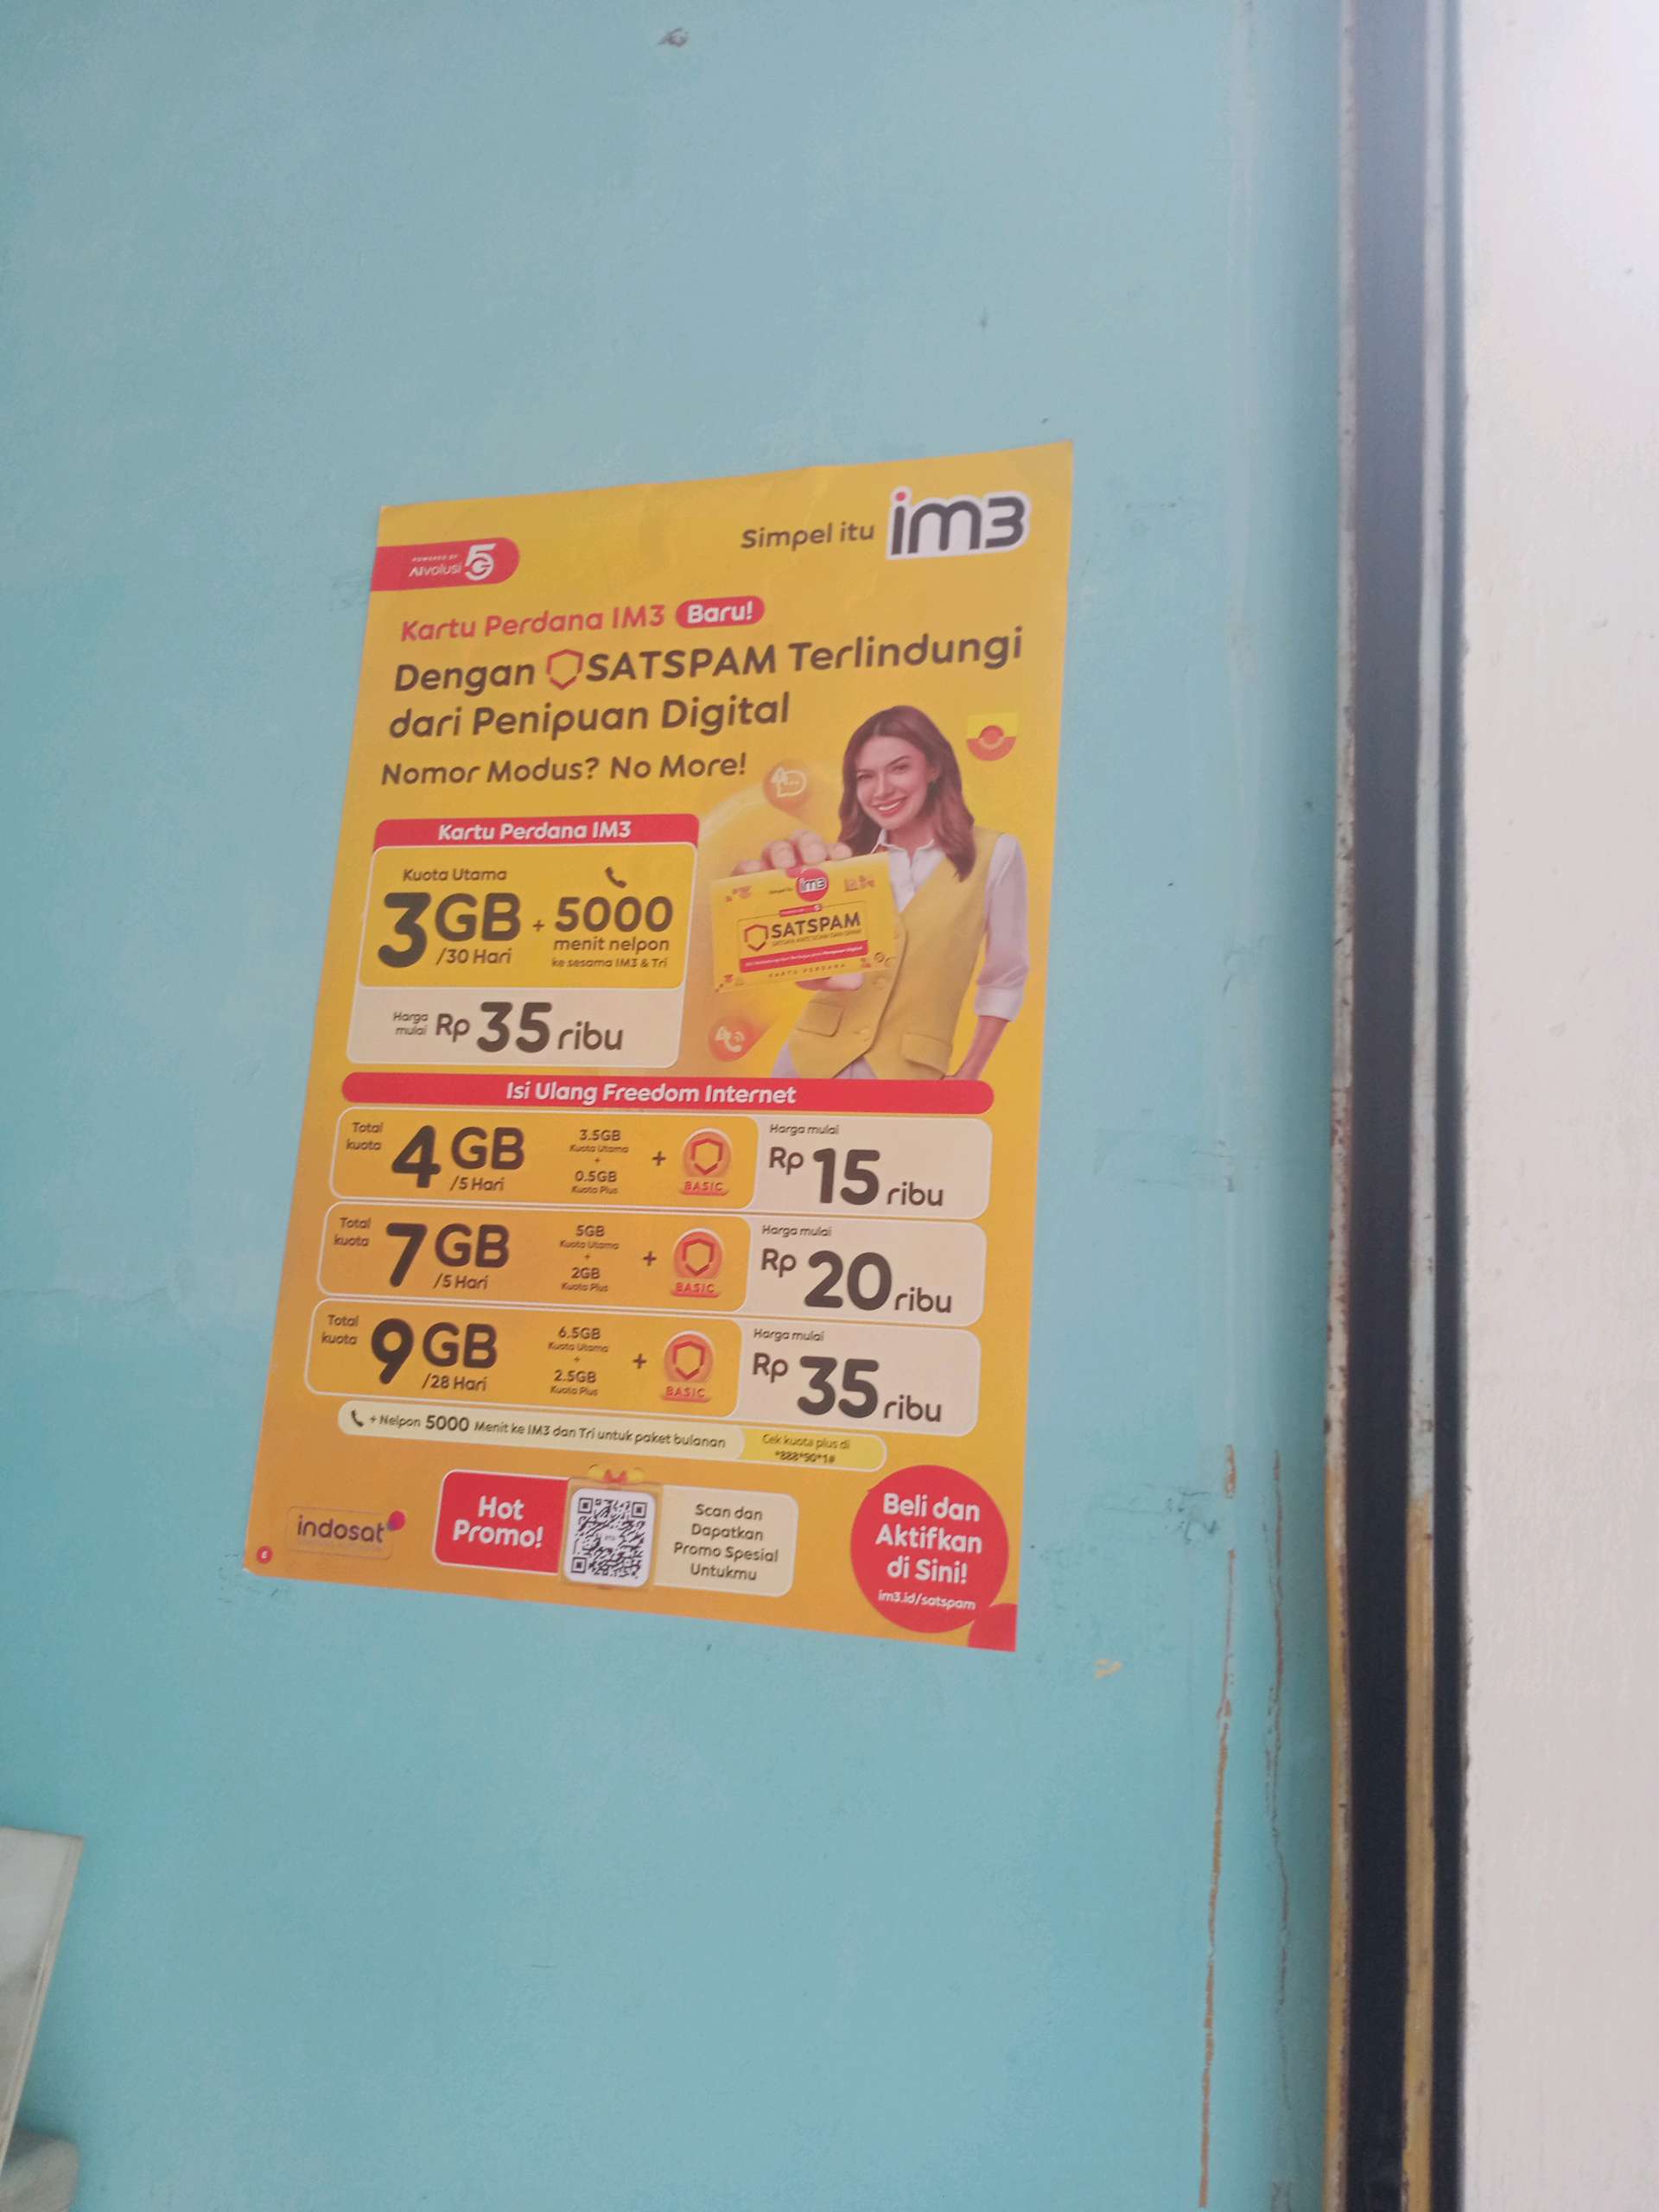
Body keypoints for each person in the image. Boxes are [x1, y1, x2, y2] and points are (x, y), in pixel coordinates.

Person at [733, 705, 1029, 1082]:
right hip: (807, 1063)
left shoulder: (995, 853)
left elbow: (1005, 975)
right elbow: (813, 973)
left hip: (909, 1073)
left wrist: (969, 1073)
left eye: (899, 768)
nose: (882, 790)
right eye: (866, 777)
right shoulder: (844, 860)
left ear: (934, 768)